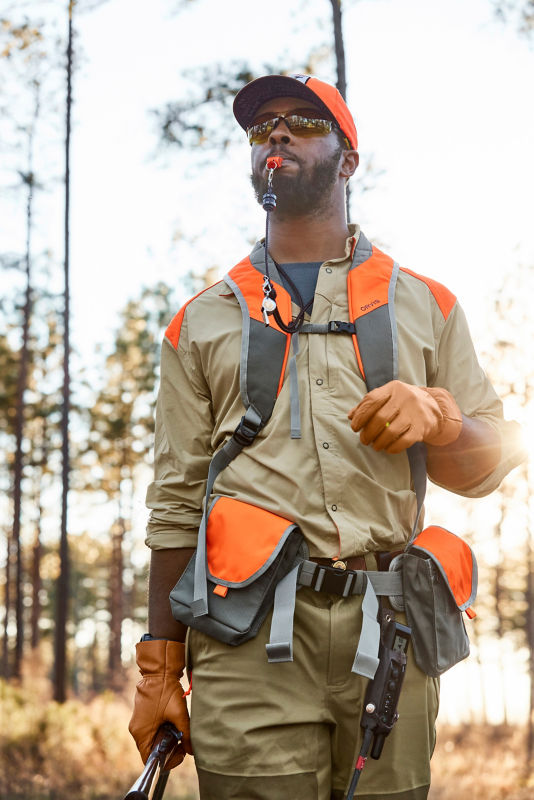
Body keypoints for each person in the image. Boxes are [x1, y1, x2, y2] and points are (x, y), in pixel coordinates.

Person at [128, 74, 525, 800]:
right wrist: (159, 667)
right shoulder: (202, 320)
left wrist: (441, 416)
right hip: (244, 638)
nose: (276, 134)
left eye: (303, 122)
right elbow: (177, 501)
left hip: (392, 633)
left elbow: (490, 463)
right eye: (261, 128)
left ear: (348, 160)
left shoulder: (427, 304)